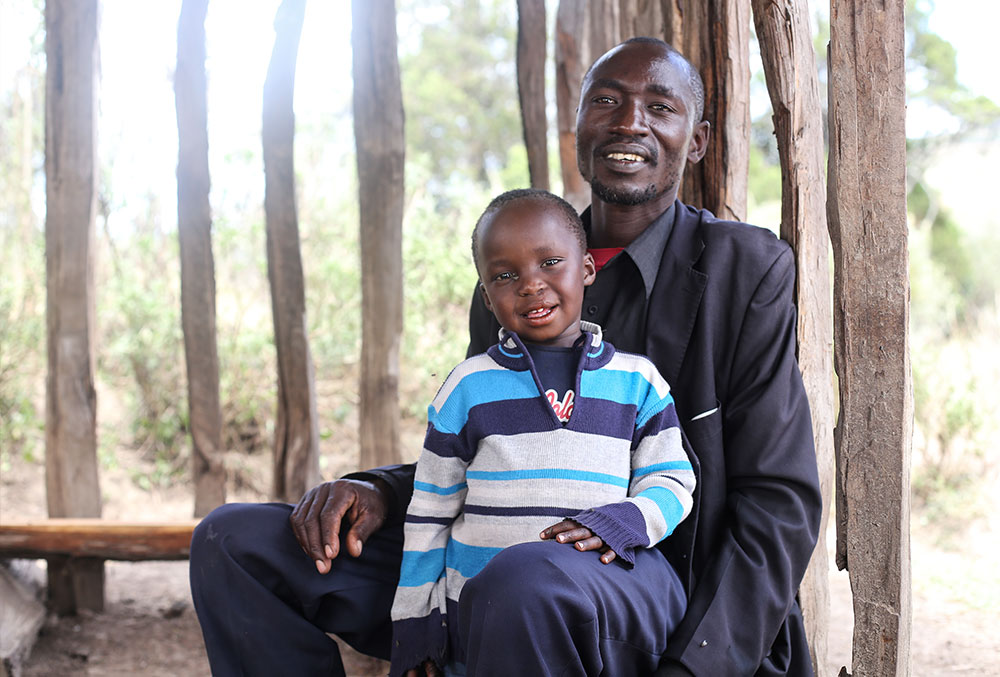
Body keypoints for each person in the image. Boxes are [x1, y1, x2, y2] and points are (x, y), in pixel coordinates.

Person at [190, 37, 822, 676]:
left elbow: (779, 500)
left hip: (656, 589)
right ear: (578, 127)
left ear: (699, 140)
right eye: (606, 101)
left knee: (525, 580)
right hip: (483, 560)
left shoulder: (743, 271)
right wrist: (378, 490)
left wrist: (698, 667)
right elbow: (491, 449)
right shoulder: (508, 279)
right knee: (236, 542)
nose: (629, 121)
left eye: (660, 107)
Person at [390, 188, 696, 677]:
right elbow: (429, 514)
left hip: (591, 603)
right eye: (505, 275)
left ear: (588, 270)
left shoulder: (638, 382)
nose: (531, 285)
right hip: (479, 621)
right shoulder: (467, 387)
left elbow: (673, 482)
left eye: (550, 262)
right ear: (487, 297)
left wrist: (624, 523)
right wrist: (417, 622)